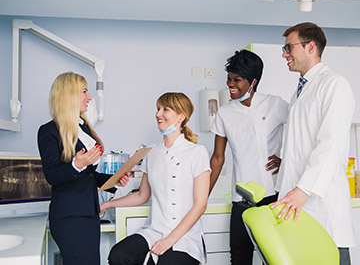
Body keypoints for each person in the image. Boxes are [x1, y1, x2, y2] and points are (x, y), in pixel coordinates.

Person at [271, 22, 356, 265]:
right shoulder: (300, 91)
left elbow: (332, 144)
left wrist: (304, 189)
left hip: (320, 203)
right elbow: (302, 144)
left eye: (289, 47)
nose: (284, 54)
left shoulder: (334, 85)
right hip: (298, 203)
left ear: (310, 47)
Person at [100, 92, 210, 265]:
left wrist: (170, 240)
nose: (158, 114)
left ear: (181, 116)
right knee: (119, 255)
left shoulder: (197, 152)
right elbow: (142, 195)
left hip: (185, 237)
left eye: (165, 109)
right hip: (155, 231)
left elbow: (200, 205)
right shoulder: (151, 153)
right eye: (158, 109)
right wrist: (107, 204)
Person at [37, 72, 129, 265]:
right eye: (85, 91)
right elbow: (52, 175)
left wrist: (114, 180)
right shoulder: (48, 131)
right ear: (68, 95)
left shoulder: (83, 128)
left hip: (89, 215)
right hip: (70, 219)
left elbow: (89, 176)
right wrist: (76, 164)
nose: (89, 98)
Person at [209, 49, 289, 264]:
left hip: (272, 197)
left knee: (274, 258)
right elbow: (217, 158)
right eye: (229, 79)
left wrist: (287, 160)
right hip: (241, 199)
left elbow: (302, 133)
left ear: (253, 81)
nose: (230, 84)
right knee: (239, 257)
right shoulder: (225, 113)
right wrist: (202, 197)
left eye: (237, 80)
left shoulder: (275, 104)